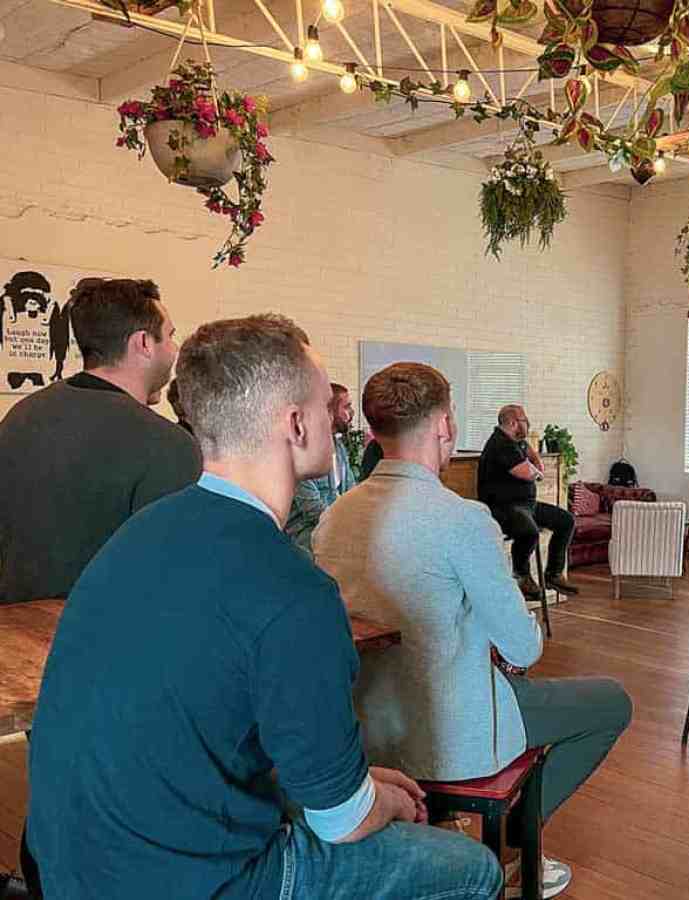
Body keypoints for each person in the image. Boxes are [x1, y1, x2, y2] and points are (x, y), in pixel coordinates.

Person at [27, 315, 502, 900]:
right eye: (327, 401)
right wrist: (367, 802)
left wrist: (353, 787)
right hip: (200, 880)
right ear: (297, 424)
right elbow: (342, 823)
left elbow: (205, 729)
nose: (337, 414)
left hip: (68, 865)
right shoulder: (292, 590)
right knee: (474, 871)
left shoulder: (140, 533)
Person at [314, 364, 632, 899]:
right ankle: (515, 844)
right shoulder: (462, 518)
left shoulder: (334, 519)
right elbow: (524, 647)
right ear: (444, 426)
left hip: (368, 731)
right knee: (612, 702)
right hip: (449, 733)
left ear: (372, 431)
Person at [0, 278, 200, 605]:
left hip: (13, 638)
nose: (174, 349)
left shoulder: (20, 416)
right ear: (144, 343)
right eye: (170, 336)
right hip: (109, 643)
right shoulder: (169, 445)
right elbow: (169, 580)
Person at [478, 404, 577, 598]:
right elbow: (526, 473)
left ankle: (553, 574)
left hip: (525, 505)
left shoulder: (516, 441)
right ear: (513, 422)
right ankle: (521, 576)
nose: (528, 423)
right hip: (503, 507)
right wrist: (537, 473)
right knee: (529, 532)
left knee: (566, 521)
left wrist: (536, 467)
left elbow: (535, 461)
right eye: (524, 420)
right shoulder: (500, 444)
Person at [285, 381, 357, 553]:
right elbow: (312, 510)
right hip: (306, 538)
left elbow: (353, 492)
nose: (351, 413)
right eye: (346, 407)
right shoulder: (303, 452)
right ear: (330, 412)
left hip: (336, 530)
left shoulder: (338, 447)